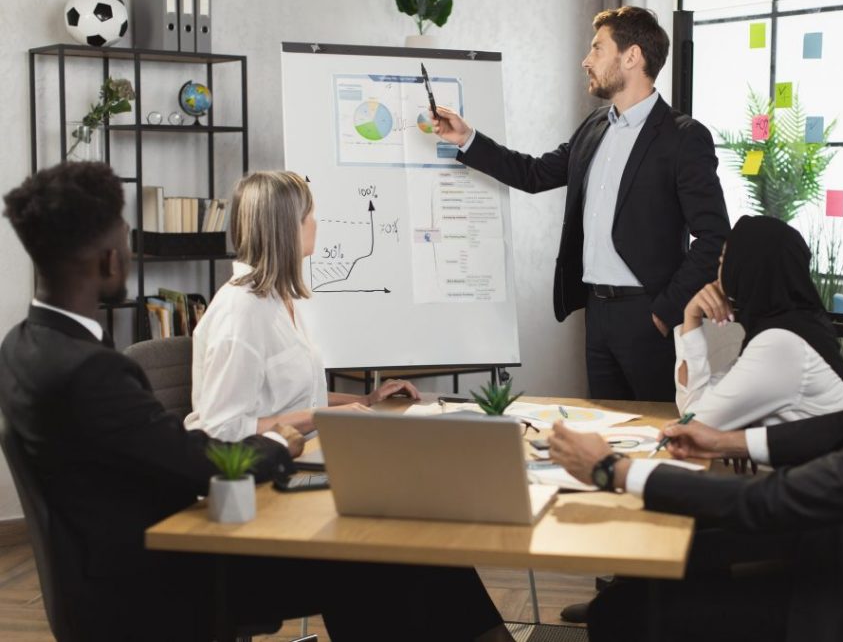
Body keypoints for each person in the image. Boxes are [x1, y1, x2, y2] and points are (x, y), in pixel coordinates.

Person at [0, 162, 511, 641]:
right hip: (170, 575)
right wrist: (277, 444)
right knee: (387, 551)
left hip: (127, 562)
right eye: (126, 241)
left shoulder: (24, 347)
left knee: (398, 546)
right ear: (110, 258)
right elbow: (199, 459)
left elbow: (165, 453)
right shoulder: (96, 372)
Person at [550, 200, 843, 641]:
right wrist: (727, 444)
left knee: (623, 613)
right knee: (678, 557)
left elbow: (775, 500)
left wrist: (614, 469)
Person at [432, 6, 730, 402]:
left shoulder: (683, 137)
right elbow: (535, 174)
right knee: (607, 432)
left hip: (648, 315)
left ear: (632, 56)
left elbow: (714, 237)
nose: (586, 60)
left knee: (658, 432)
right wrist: (468, 139)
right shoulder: (594, 126)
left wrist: (664, 311)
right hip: (597, 313)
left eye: (597, 49)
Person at [184, 170, 419, 441]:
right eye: (309, 215)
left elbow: (298, 400)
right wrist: (324, 417)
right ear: (286, 227)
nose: (315, 224)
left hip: (304, 450)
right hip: (263, 469)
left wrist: (367, 400)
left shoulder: (280, 298)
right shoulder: (241, 312)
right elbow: (221, 428)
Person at [674, 215, 843, 429]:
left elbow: (695, 421)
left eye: (724, 261)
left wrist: (691, 317)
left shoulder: (781, 343)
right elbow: (695, 411)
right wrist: (691, 315)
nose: (718, 272)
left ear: (745, 269)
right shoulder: (798, 326)